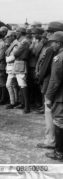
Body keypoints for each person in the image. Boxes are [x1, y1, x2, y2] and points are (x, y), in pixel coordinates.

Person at [37, 22, 63, 149]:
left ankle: (50, 141)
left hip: (51, 86)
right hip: (57, 86)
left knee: (50, 115)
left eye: (50, 31)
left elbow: (45, 70)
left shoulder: (52, 49)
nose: (47, 34)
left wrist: (40, 81)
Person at [45, 31, 63, 161]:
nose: (51, 45)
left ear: (59, 43)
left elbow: (55, 80)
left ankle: (59, 152)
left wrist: (49, 97)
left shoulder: (59, 58)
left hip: (61, 96)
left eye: (53, 42)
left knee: (59, 121)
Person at [12, 26, 31, 114]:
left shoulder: (24, 42)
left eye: (17, 31)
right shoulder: (22, 41)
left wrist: (15, 51)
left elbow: (15, 53)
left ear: (21, 32)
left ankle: (27, 106)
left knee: (23, 85)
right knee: (20, 85)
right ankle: (23, 104)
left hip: (21, 64)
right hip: (18, 64)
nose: (16, 33)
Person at [4, 31, 19, 109]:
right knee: (13, 85)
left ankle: (12, 102)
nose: (7, 38)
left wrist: (6, 59)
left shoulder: (15, 45)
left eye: (8, 37)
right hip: (11, 67)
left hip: (13, 67)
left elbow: (14, 56)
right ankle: (15, 101)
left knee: (9, 85)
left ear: (13, 36)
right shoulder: (12, 44)